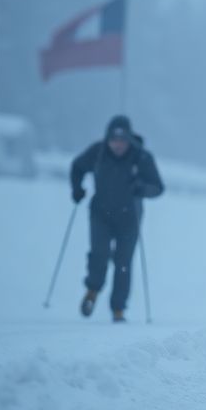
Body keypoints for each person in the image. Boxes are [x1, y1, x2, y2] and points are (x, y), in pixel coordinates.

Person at [70, 115, 164, 322]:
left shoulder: (142, 158)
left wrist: (141, 188)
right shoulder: (98, 152)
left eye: (122, 140)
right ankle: (92, 291)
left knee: (123, 262)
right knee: (99, 254)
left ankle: (118, 309)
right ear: (108, 139)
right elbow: (77, 167)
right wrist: (77, 189)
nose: (118, 145)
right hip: (100, 215)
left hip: (129, 218)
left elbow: (158, 187)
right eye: (114, 140)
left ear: (129, 139)